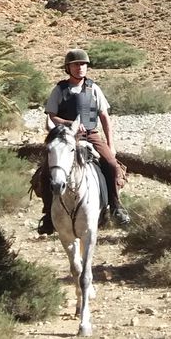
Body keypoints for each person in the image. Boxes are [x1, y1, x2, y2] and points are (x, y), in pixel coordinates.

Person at [37, 48, 131, 235]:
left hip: (91, 134)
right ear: (68, 68)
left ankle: (115, 206)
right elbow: (52, 116)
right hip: (65, 137)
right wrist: (70, 124)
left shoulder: (94, 88)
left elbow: (104, 117)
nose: (80, 68)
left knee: (112, 165)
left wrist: (111, 145)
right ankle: (48, 214)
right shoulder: (60, 90)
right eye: (76, 64)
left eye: (83, 64)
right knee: (45, 172)